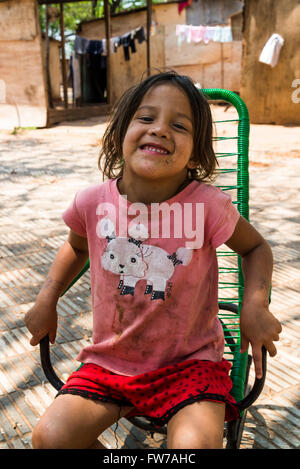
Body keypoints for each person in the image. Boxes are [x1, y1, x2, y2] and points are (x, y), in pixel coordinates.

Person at [25, 70, 282, 449]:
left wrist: (255, 305)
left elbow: (256, 248)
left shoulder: (208, 205)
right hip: (108, 363)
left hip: (191, 365)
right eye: (146, 118)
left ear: (195, 152)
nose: (159, 129)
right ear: (120, 135)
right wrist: (48, 297)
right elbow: (77, 248)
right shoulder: (92, 203)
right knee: (51, 438)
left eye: (179, 125)